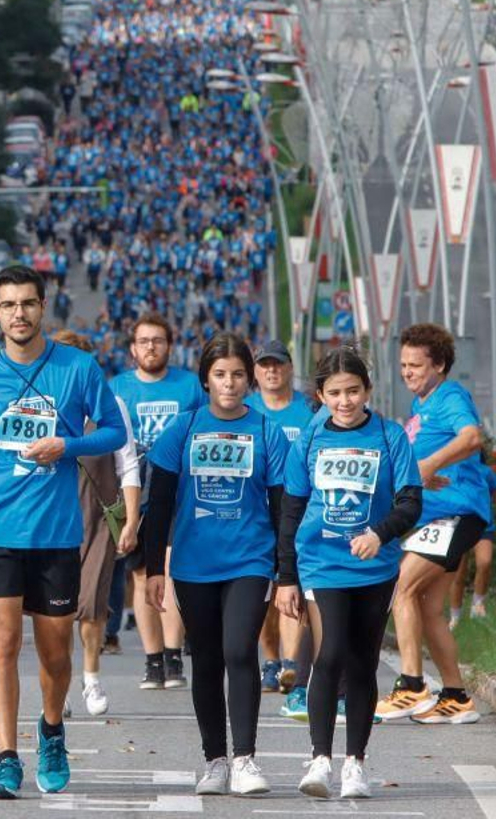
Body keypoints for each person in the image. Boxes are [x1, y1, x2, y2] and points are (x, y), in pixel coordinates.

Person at [0, 265, 126, 800]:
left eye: (28, 303)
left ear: (43, 307)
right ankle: (6, 757)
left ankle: (51, 731)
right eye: (8, 305)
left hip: (55, 533)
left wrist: (67, 446)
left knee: (55, 654)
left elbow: (115, 432)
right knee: (3, 644)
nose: (19, 314)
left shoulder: (77, 368)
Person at [273, 347, 422, 800]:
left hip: (375, 567)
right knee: (331, 651)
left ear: (367, 390)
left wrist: (379, 534)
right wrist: (286, 576)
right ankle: (320, 759)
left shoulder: (390, 436)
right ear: (321, 395)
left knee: (362, 661)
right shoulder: (310, 440)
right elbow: (291, 510)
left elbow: (410, 503)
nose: (345, 401)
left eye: (353, 391)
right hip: (322, 563)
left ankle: (355, 762)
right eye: (335, 393)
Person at [143, 332, 288, 797]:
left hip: (250, 559)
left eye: (238, 375)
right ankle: (215, 761)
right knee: (206, 659)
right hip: (194, 564)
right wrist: (153, 569)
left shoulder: (267, 431)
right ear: (206, 378)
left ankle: (244, 758)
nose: (229, 383)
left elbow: (283, 506)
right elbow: (158, 504)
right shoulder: (181, 429)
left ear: (249, 380)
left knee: (239, 650)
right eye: (220, 374)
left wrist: (287, 572)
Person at [374, 323, 489, 725]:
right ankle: (456, 696)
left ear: (438, 365)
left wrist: (429, 464)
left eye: (416, 365)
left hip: (457, 514)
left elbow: (472, 437)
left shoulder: (450, 396)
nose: (407, 372)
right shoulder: (421, 404)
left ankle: (411, 686)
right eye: (404, 364)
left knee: (401, 587)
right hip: (438, 517)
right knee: (427, 608)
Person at [110, 314, 205, 691]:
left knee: (169, 571)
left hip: (179, 491)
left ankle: (172, 654)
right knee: (139, 576)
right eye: (144, 341)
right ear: (133, 349)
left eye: (158, 340)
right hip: (136, 491)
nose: (151, 347)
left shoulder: (189, 386)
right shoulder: (118, 387)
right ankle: (152, 660)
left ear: (170, 346)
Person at [53, 331, 140, 718]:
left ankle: (90, 676)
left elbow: (128, 464)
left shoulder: (112, 405)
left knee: (91, 602)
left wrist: (131, 519)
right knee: (56, 610)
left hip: (99, 517)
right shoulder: (44, 406)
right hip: (53, 518)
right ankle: (58, 682)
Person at [245, 340, 316, 694]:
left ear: (290, 368)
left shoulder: (309, 410)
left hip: (299, 511)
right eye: (264, 365)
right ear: (255, 373)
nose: (271, 370)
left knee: (293, 586)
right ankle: (271, 661)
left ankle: (291, 662)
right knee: (265, 592)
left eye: (278, 364)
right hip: (257, 512)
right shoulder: (247, 410)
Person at [448, 471, 496, 629]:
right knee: (458, 574)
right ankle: (455, 616)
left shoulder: (484, 471)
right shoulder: (449, 468)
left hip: (483, 526)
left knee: (485, 562)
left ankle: (478, 605)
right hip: (456, 526)